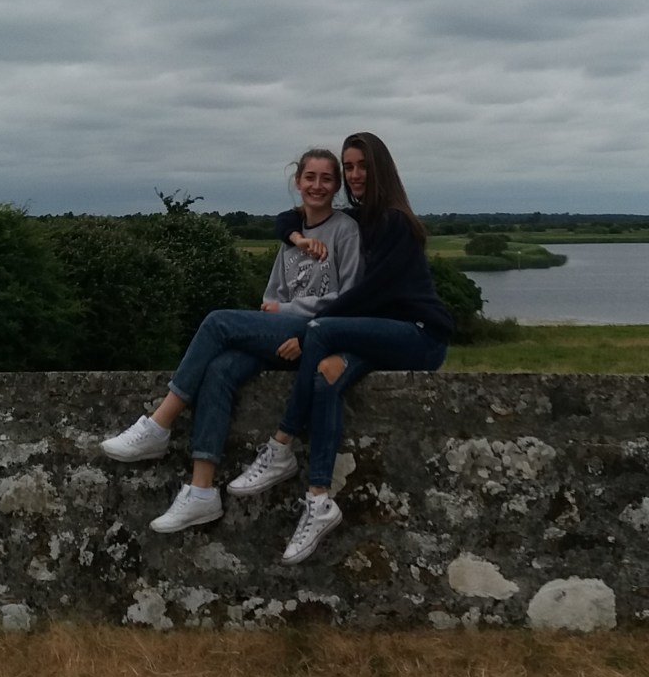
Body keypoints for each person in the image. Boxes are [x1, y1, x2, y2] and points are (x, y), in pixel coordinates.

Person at [99, 149, 362, 535]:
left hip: (315, 337)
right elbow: (271, 296)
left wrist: (300, 326)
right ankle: (201, 490)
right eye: (310, 177)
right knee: (220, 368)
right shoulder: (291, 236)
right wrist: (277, 312)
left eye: (326, 179)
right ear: (298, 182)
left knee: (218, 322)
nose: (317, 186)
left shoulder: (345, 230)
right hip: (282, 331)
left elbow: (350, 298)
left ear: (336, 185)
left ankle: (159, 424)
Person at [268, 131, 453, 564]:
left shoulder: (394, 222)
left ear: (380, 168)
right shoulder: (357, 220)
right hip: (378, 334)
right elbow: (284, 219)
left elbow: (367, 294)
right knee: (326, 375)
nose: (354, 175)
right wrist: (297, 239)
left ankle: (280, 443)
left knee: (320, 332)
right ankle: (318, 499)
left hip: (418, 335)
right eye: (348, 167)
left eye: (362, 166)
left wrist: (308, 330)